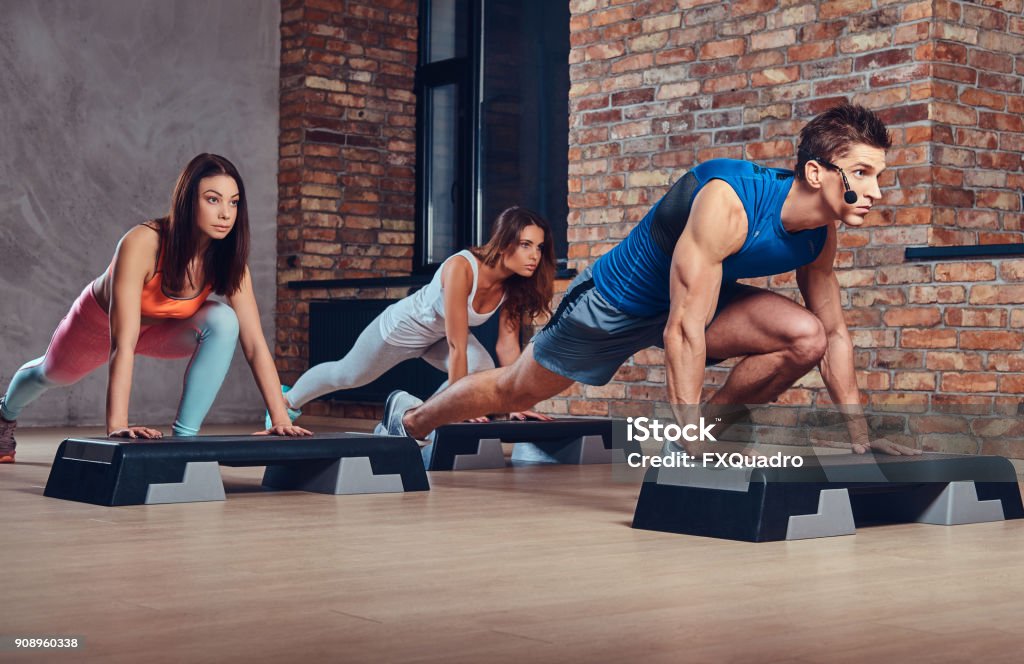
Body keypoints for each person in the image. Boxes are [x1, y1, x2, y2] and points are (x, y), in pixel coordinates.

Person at [379, 103, 920, 457]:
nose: (875, 191)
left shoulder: (819, 235)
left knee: (807, 336)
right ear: (817, 172)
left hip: (696, 302)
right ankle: (412, 420)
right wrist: (684, 447)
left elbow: (835, 333)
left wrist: (860, 439)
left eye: (879, 176)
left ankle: (706, 438)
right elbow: (682, 329)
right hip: (614, 302)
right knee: (514, 387)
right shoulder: (727, 203)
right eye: (864, 174)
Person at [0, 153, 311, 463]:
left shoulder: (229, 260)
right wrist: (118, 427)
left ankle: (184, 442)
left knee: (224, 321)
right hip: (98, 327)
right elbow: (123, 343)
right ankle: (4, 413)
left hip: (162, 330)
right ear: (189, 201)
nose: (225, 213)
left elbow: (255, 344)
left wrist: (280, 419)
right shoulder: (143, 242)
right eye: (213, 200)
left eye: (234, 202)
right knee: (50, 374)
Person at [271, 207, 557, 427]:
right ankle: (287, 400)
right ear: (505, 242)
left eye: (539, 247)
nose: (534, 255)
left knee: (481, 365)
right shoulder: (462, 267)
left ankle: (418, 420)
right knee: (348, 374)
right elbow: (457, 345)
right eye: (526, 245)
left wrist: (517, 400)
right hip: (403, 328)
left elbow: (507, 346)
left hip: (437, 337)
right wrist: (458, 407)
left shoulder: (515, 285)